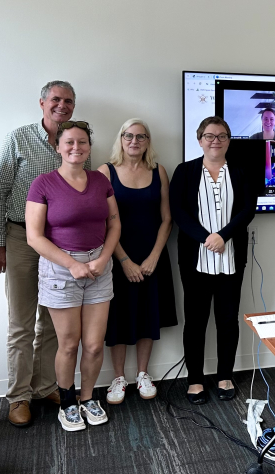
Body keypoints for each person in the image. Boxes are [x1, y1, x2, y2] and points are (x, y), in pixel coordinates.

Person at [0, 80, 88, 427]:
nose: (63, 106)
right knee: (21, 323)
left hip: (59, 243)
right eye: (56, 100)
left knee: (51, 322)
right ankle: (18, 396)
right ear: (42, 103)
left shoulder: (75, 141)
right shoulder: (18, 138)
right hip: (19, 239)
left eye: (69, 101)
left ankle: (45, 385)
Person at [26, 121, 121, 432]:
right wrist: (72, 264)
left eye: (82, 142)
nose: (76, 148)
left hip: (99, 268)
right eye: (69, 142)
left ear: (89, 148)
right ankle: (67, 402)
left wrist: (104, 259)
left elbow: (114, 224)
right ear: (58, 146)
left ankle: (88, 397)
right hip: (60, 270)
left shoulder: (100, 181)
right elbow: (34, 237)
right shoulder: (43, 183)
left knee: (94, 345)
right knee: (69, 344)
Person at [170, 116, 257, 405]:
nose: (215, 140)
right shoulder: (185, 171)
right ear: (200, 140)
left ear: (228, 140)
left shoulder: (241, 169)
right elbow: (178, 212)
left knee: (227, 320)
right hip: (195, 259)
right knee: (195, 321)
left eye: (221, 136)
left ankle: (225, 376)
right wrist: (207, 238)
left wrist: (224, 235)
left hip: (231, 257)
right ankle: (195, 379)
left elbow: (248, 209)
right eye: (209, 135)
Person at [98, 119, 177, 405]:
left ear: (148, 141)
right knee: (118, 318)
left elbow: (167, 218)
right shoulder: (104, 173)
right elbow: (103, 222)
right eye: (128, 136)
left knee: (147, 314)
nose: (134, 141)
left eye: (141, 136)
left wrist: (154, 256)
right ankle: (118, 377)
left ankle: (143, 373)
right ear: (120, 139)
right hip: (118, 257)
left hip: (152, 257)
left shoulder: (159, 171)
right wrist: (124, 261)